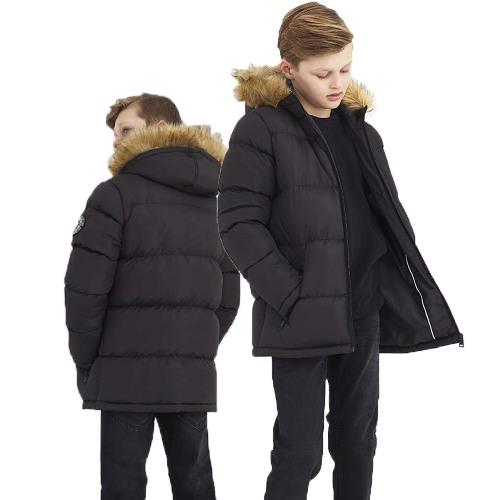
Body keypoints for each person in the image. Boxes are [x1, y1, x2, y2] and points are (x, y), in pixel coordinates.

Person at [217, 3, 464, 499]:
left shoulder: (361, 131)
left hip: (362, 310)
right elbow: (238, 224)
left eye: (346, 69)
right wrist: (291, 295)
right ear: (288, 68)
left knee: (357, 446)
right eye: (323, 73)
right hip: (300, 314)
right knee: (300, 452)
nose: (338, 83)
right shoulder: (261, 130)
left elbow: (383, 217)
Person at [64, 92, 240, 500]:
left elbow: (83, 292)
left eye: (125, 129)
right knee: (195, 484)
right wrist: (193, 347)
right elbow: (228, 298)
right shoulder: (215, 201)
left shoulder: (113, 196)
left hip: (124, 377)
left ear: (159, 128)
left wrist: (88, 362)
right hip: (190, 379)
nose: (116, 140)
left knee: (123, 486)